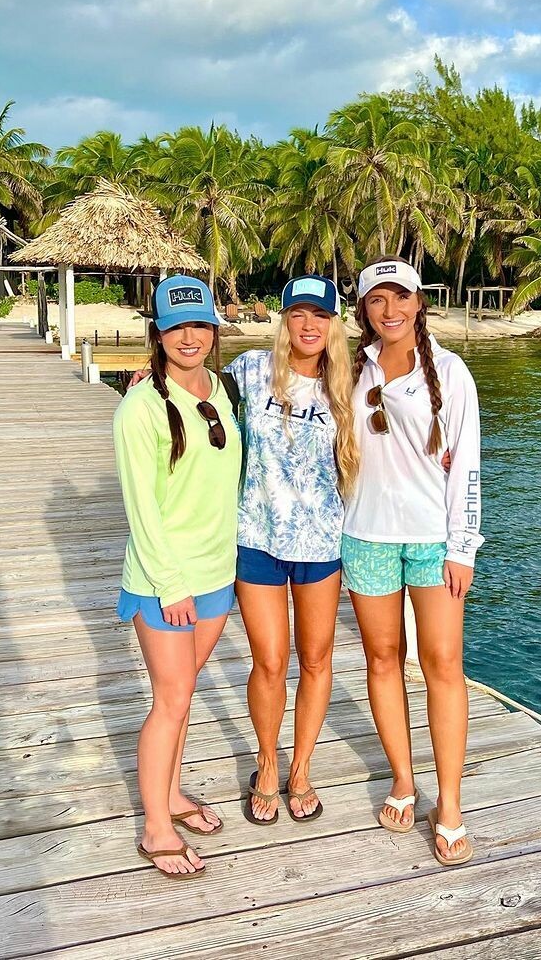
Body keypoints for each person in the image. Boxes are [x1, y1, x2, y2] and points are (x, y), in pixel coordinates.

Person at [342, 256, 483, 866]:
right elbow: (278, 377)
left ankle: (449, 804)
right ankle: (403, 779)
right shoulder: (348, 367)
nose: (390, 309)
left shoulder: (449, 372)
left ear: (419, 302)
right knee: (382, 659)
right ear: (364, 309)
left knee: (443, 664)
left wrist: (463, 545)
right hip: (365, 535)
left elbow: (467, 463)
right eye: (377, 299)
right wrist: (152, 373)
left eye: (401, 297)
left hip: (432, 540)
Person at [113, 275, 241, 880]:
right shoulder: (139, 409)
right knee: (171, 701)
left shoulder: (222, 389)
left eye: (199, 325)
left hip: (217, 573)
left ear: (213, 328)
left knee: (183, 694)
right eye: (175, 327)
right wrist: (171, 584)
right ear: (158, 333)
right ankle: (155, 827)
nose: (189, 338)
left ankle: (169, 793)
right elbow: (141, 508)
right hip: (166, 581)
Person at [226, 275, 359, 824]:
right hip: (256, 537)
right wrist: (148, 379)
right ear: (284, 320)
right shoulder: (250, 370)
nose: (308, 325)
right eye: (298, 313)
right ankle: (266, 762)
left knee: (317, 659)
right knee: (270, 661)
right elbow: (192, 394)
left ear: (334, 324)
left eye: (320, 315)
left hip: (321, 542)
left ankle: (300, 767)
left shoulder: (349, 387)